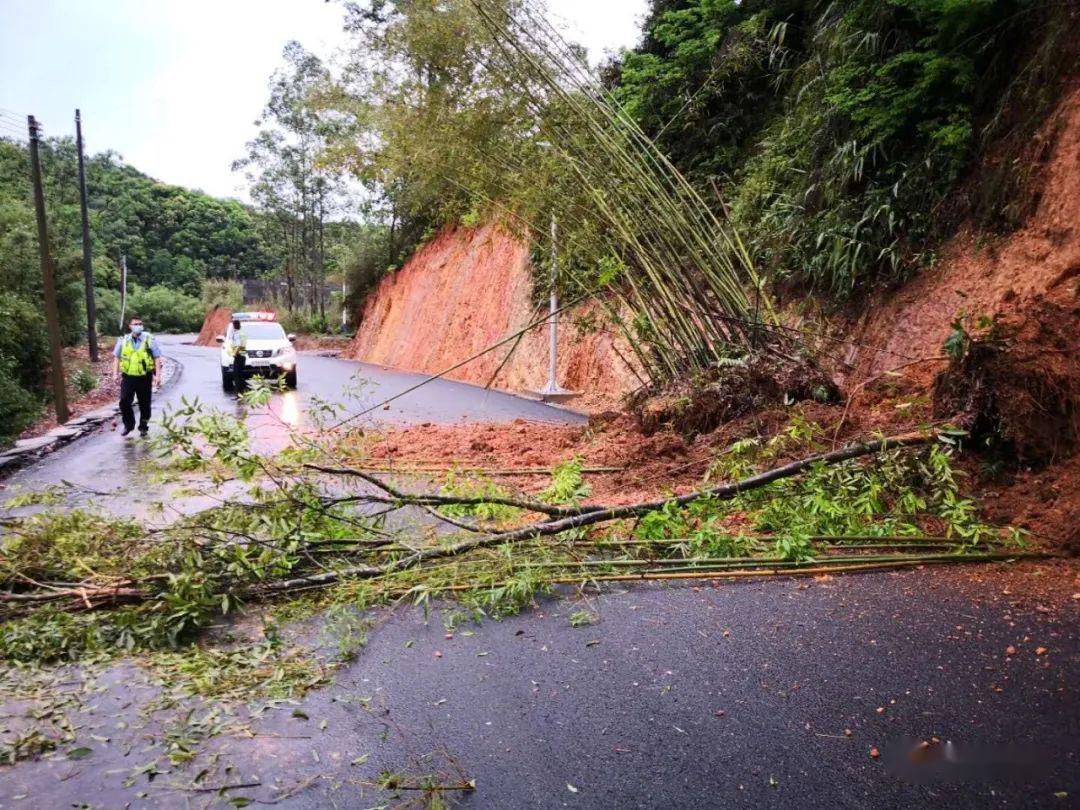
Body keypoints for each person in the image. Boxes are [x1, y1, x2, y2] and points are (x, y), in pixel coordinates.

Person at [113, 315, 162, 437]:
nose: (138, 326)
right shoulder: (123, 340)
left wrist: (158, 376)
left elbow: (157, 357)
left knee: (145, 404)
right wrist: (115, 373)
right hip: (128, 377)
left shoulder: (149, 339)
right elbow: (116, 358)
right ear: (130, 326)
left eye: (140, 324)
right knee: (124, 402)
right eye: (135, 324)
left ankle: (143, 426)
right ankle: (128, 425)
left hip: (144, 377)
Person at [227, 318, 248, 394]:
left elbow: (238, 345)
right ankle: (243, 392)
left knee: (237, 376)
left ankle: (239, 393)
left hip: (239, 356)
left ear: (234, 325)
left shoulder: (237, 334)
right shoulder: (242, 333)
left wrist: (234, 353)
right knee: (240, 375)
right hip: (242, 356)